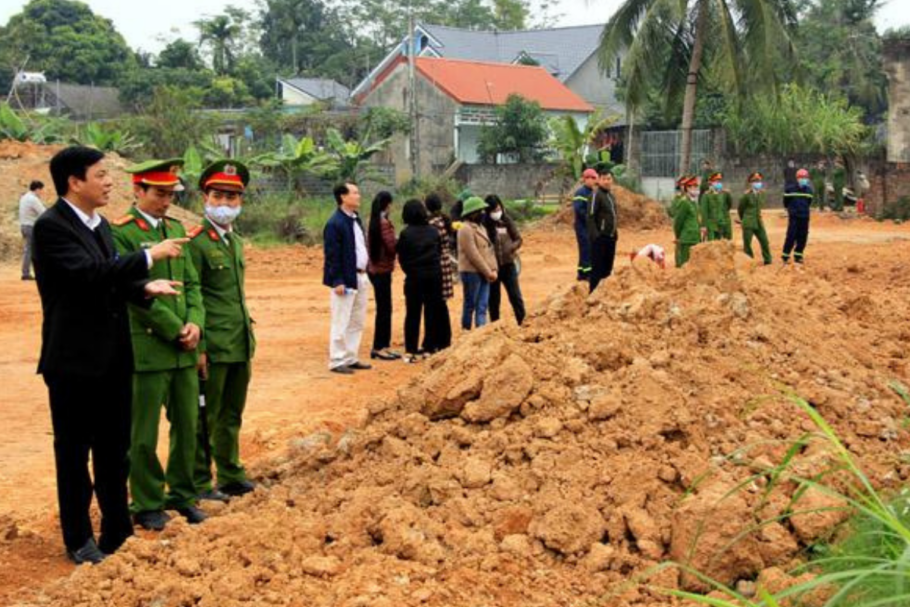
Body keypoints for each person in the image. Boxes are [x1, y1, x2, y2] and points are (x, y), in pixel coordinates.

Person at [32, 146, 186, 564]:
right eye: (100, 174)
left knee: (113, 450)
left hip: (114, 356)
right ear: (74, 182)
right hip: (74, 361)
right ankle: (79, 538)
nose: (109, 181)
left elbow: (109, 280)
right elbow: (85, 276)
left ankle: (117, 532)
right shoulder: (51, 227)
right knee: (74, 453)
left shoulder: (98, 225)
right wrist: (149, 258)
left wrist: (143, 287)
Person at [112, 159, 206, 530]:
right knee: (144, 432)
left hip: (184, 348)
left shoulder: (178, 229)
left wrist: (196, 324)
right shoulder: (122, 233)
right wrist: (174, 328)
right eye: (159, 193)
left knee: (188, 425)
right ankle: (148, 501)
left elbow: (193, 285)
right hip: (149, 347)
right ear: (138, 191)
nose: (166, 201)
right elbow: (131, 293)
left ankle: (182, 495)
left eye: (171, 194)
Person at [189, 160, 257, 502]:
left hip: (239, 341)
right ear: (205, 196)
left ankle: (230, 472)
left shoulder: (236, 242)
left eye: (232, 198)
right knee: (206, 416)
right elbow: (194, 295)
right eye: (218, 196)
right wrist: (198, 346)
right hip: (212, 344)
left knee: (232, 412)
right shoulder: (196, 242)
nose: (226, 204)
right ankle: (201, 481)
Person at [324, 183, 372, 374]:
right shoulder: (335, 223)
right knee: (341, 319)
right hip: (345, 277)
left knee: (357, 319)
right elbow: (332, 254)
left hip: (360, 275)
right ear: (343, 197)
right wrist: (337, 280)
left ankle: (351, 356)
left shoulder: (355, 220)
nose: (359, 196)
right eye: (355, 193)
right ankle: (336, 359)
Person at [396, 199, 450, 359]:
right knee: (431, 312)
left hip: (414, 278)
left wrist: (411, 271)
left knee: (412, 313)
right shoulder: (433, 231)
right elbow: (439, 252)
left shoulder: (405, 234)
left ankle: (410, 350)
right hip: (434, 276)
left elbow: (402, 258)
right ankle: (429, 347)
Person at [366, 191, 399, 361]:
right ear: (387, 204)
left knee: (383, 308)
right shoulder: (384, 223)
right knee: (385, 310)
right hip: (383, 271)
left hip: (374, 269)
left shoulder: (372, 221)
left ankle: (382, 346)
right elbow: (391, 246)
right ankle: (380, 347)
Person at [457, 196, 497, 330]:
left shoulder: (481, 227)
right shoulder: (465, 229)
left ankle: (481, 333)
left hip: (484, 272)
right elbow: (473, 255)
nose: (483, 213)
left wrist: (493, 269)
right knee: (470, 304)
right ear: (472, 213)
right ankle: (466, 332)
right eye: (480, 211)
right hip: (472, 273)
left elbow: (489, 250)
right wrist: (488, 272)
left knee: (482, 305)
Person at [485, 195, 526, 324]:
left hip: (509, 265)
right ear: (488, 211)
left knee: (515, 296)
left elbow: (518, 239)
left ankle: (523, 322)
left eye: (498, 209)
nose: (497, 212)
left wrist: (511, 248)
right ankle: (495, 326)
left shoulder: (506, 220)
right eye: (493, 210)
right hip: (493, 268)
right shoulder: (484, 224)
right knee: (494, 300)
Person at [424, 193, 455, 352]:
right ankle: (444, 340)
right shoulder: (444, 220)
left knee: (436, 305)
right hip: (445, 264)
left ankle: (438, 341)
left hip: (437, 266)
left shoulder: (433, 224)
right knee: (441, 304)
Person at [587, 165, 619, 293]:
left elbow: (613, 216)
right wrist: (596, 236)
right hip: (600, 239)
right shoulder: (596, 195)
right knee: (597, 270)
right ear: (599, 180)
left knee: (608, 269)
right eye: (604, 179)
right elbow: (590, 216)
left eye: (609, 179)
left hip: (610, 238)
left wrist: (615, 233)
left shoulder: (610, 196)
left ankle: (604, 295)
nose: (607, 181)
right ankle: (593, 295)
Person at [737, 172, 773, 265]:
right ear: (750, 183)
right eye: (755, 181)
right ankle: (749, 261)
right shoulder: (746, 195)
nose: (758, 183)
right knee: (747, 243)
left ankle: (768, 260)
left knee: (764, 240)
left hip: (758, 221)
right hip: (748, 222)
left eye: (759, 181)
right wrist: (743, 219)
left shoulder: (762, 194)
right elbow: (740, 208)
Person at [669, 175, 703, 268]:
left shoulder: (694, 203)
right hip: (687, 238)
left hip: (695, 238)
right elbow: (678, 222)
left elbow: (696, 219)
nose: (695, 189)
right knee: (685, 265)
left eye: (696, 186)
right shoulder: (684, 202)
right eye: (692, 187)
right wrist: (678, 236)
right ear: (687, 188)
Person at [782, 168, 814, 265]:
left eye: (805, 177)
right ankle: (785, 256)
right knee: (791, 235)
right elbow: (785, 202)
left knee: (803, 236)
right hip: (794, 216)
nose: (803, 179)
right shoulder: (789, 189)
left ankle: (798, 255)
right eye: (801, 177)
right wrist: (792, 210)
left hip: (804, 216)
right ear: (797, 178)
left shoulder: (809, 191)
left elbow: (809, 202)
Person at [572, 168, 598, 281]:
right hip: (582, 226)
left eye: (594, 178)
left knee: (587, 249)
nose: (592, 181)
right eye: (590, 178)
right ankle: (587, 274)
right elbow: (578, 210)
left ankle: (581, 273)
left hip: (588, 227)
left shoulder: (592, 192)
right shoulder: (580, 193)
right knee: (586, 249)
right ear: (585, 179)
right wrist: (589, 218)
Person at [19, 180, 46, 280]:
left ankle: (26, 272)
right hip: (31, 226)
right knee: (31, 250)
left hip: (24, 226)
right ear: (37, 189)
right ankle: (26, 273)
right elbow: (43, 213)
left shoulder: (24, 197)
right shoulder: (33, 199)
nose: (42, 192)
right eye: (42, 190)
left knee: (29, 249)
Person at [701, 172, 733, 241]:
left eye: (719, 181)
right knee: (713, 244)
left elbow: (729, 206)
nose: (718, 183)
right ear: (711, 182)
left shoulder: (725, 194)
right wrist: (704, 225)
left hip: (723, 222)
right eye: (716, 181)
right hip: (712, 224)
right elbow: (704, 212)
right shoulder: (706, 195)